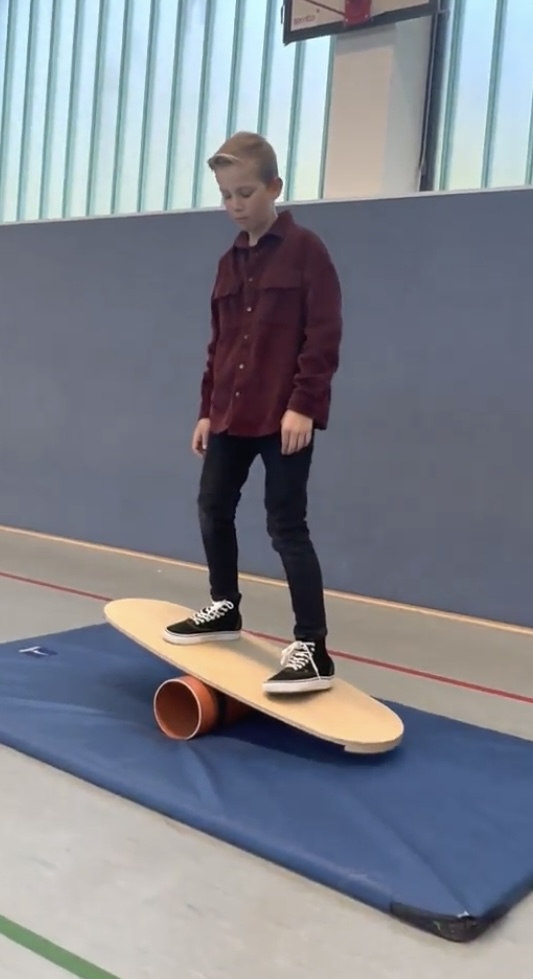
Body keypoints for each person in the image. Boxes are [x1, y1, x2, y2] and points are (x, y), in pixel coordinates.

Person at [163, 131, 343, 695]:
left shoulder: (306, 250)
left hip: (283, 417)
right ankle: (224, 606)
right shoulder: (228, 262)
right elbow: (220, 344)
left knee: (286, 525)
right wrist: (206, 410)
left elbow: (323, 335)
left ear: (274, 187)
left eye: (245, 192)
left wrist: (304, 405)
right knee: (213, 506)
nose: (235, 204)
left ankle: (312, 647)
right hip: (230, 414)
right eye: (226, 196)